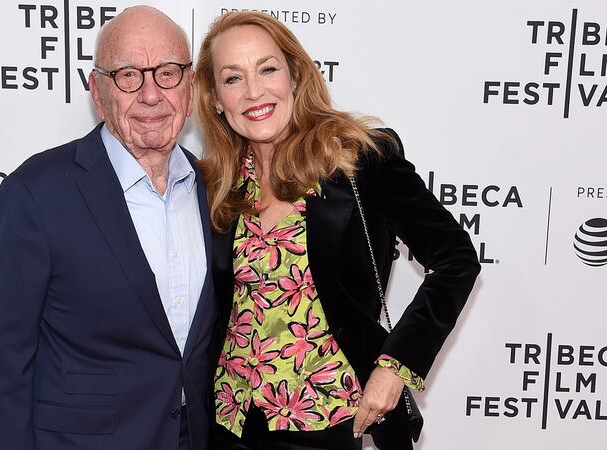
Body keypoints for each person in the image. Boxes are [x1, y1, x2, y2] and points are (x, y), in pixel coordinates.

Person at [193, 11, 480, 450]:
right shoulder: (213, 182)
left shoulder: (362, 160)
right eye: (233, 78)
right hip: (229, 421)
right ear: (216, 98)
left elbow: (456, 259)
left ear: (295, 76)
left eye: (268, 69)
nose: (254, 91)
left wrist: (395, 366)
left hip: (325, 420)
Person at [0, 6, 216, 450]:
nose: (150, 94)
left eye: (167, 72)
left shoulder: (214, 189)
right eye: (128, 75)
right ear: (98, 92)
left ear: (191, 85)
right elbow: (2, 367)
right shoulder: (36, 193)